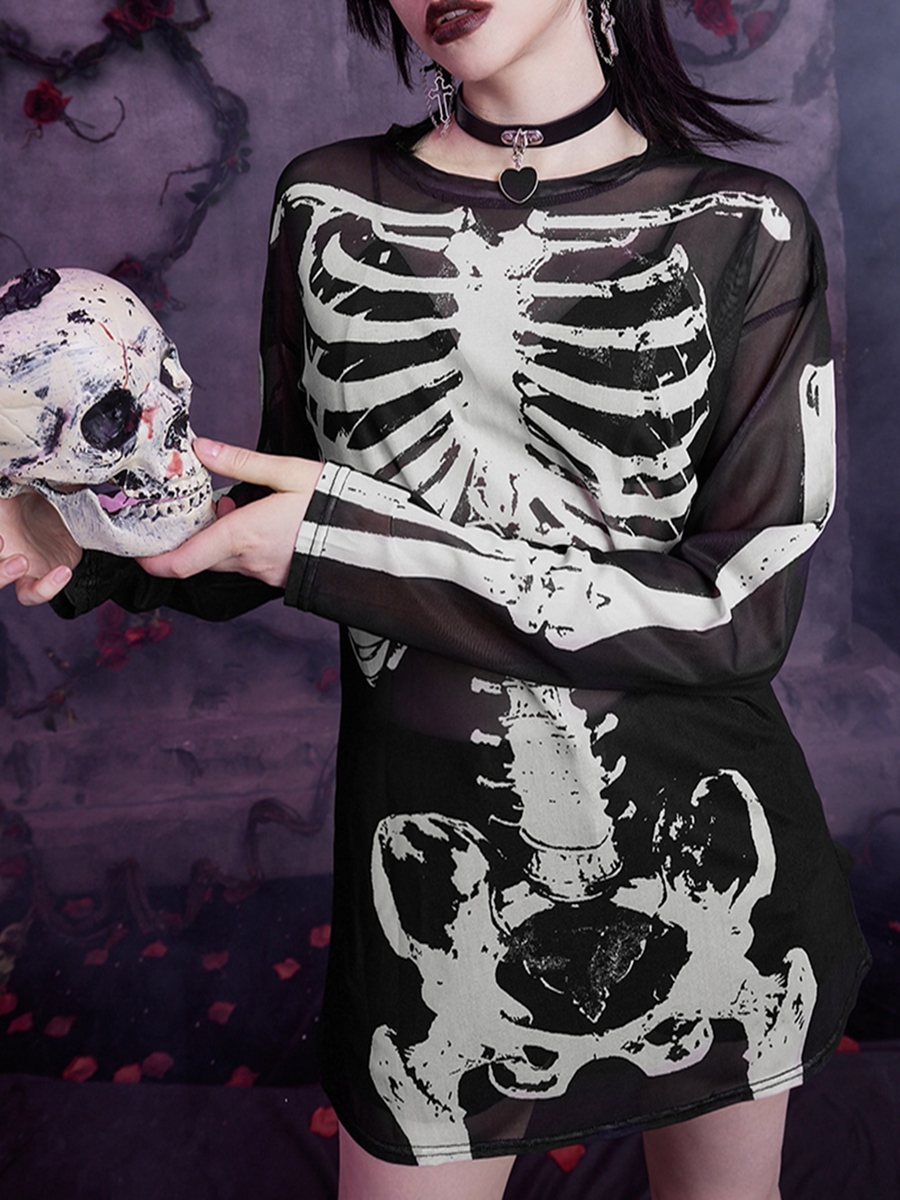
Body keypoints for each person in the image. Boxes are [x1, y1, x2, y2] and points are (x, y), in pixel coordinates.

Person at [0, 2, 870, 1198]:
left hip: (705, 863)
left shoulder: (743, 225)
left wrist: (344, 545)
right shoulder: (326, 205)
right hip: (439, 898)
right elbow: (276, 518)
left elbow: (741, 616)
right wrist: (88, 532)